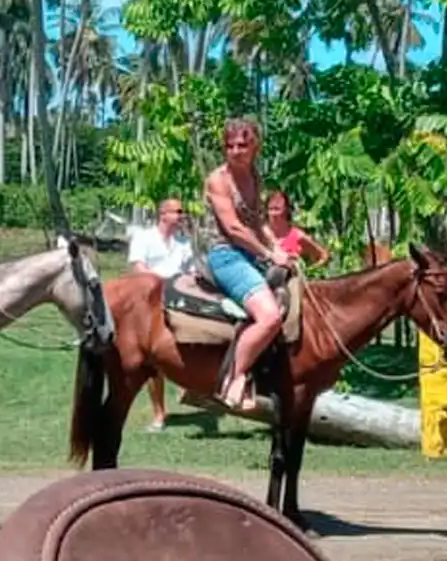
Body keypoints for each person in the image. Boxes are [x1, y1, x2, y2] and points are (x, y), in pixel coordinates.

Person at [195, 118, 292, 411]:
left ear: (255, 146)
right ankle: (233, 378)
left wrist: (278, 247)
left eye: (242, 144)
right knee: (270, 317)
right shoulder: (218, 180)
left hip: (251, 253)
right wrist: (268, 253)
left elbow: (258, 222)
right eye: (230, 145)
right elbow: (234, 228)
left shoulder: (254, 176)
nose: (236, 150)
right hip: (225, 254)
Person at [128, 198, 194, 431]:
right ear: (163, 214)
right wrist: (161, 284)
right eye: (178, 211)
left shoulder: (184, 243)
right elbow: (138, 268)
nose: (181, 215)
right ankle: (159, 413)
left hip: (179, 299)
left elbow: (191, 272)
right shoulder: (144, 238)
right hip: (151, 300)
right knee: (152, 359)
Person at [266, 190, 330, 267]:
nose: (273, 214)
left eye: (277, 209)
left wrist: (310, 271)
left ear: (286, 210)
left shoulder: (297, 235)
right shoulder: (261, 233)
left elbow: (323, 255)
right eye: (270, 209)